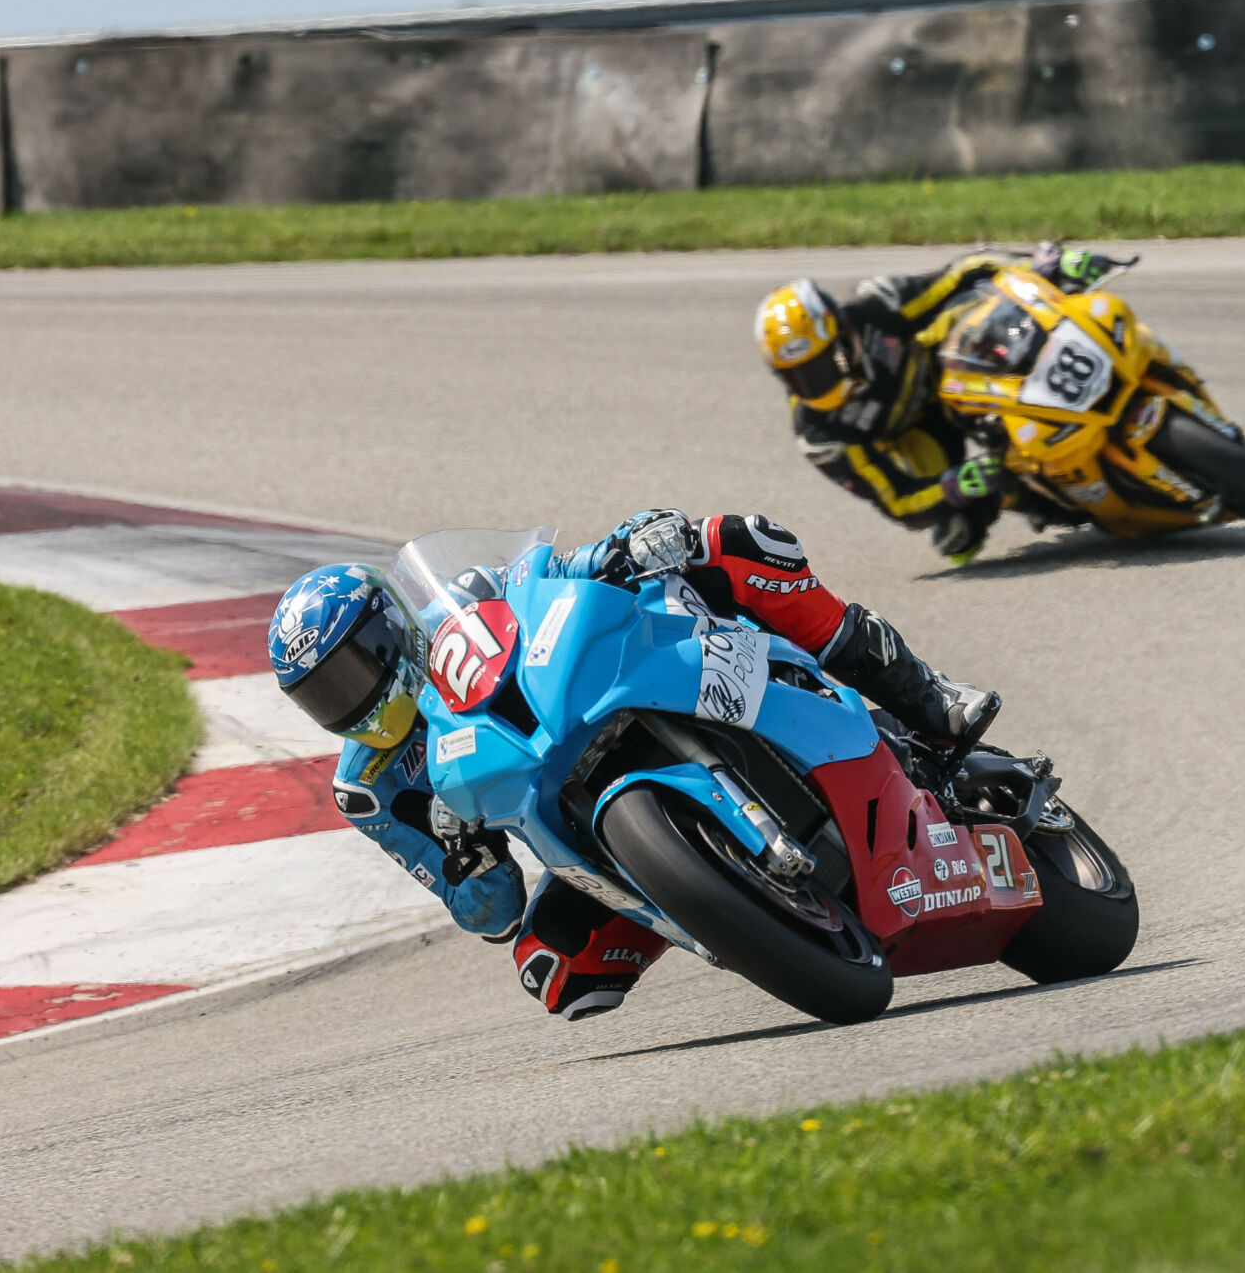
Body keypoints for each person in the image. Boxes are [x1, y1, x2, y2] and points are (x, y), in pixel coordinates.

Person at [268, 510, 998, 1022]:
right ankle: (723, 900)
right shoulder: (368, 788)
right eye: (325, 696)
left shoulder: (459, 605)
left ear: (391, 629)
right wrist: (462, 857)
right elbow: (489, 914)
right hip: (566, 825)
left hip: (597, 695)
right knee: (551, 970)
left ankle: (927, 699)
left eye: (354, 669)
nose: (353, 701)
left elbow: (545, 577)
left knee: (733, 545)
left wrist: (624, 546)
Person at [755, 244, 1121, 565]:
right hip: (912, 435)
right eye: (797, 376)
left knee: (980, 303)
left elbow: (960, 274)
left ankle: (1082, 355)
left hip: (950, 370)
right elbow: (897, 500)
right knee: (958, 530)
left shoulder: (877, 307)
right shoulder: (820, 435)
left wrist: (1042, 265)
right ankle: (1045, 497)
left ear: (841, 334)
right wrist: (957, 486)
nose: (814, 384)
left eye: (820, 366)